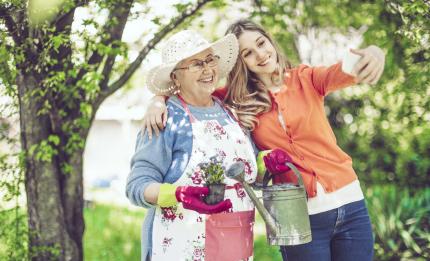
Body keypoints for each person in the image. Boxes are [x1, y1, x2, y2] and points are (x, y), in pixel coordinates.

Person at [141, 19, 385, 261]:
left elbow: (348, 69)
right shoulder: (235, 99)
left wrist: (374, 52)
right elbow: (190, 90)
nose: (260, 54)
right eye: (248, 53)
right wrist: (158, 100)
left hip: (351, 203)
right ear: (241, 63)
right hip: (296, 215)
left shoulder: (307, 78)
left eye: (261, 43)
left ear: (270, 41)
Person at [126, 29, 259, 261]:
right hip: (183, 244)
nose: (207, 70)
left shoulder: (231, 113)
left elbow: (250, 173)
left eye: (210, 60)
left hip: (234, 241)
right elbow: (137, 185)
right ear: (176, 77)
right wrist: (177, 194)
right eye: (196, 64)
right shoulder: (165, 118)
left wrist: (267, 161)